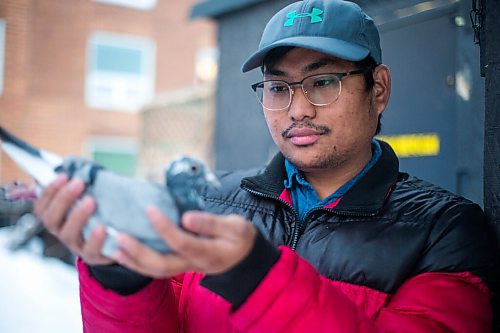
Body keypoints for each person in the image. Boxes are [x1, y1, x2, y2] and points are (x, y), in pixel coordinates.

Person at [34, 0, 498, 332]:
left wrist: (254, 274)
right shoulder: (212, 200)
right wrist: (117, 273)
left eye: (322, 82)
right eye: (278, 88)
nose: (297, 110)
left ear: (378, 88)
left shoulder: (446, 230)